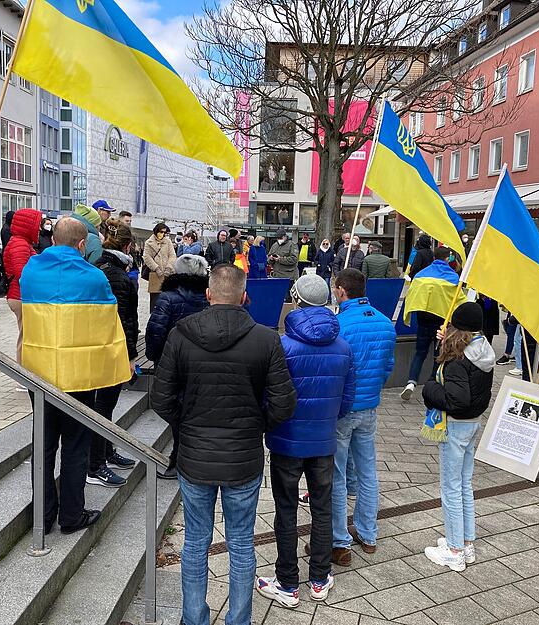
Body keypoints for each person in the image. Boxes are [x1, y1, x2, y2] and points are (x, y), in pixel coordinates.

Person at [150, 264, 296, 625]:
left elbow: (161, 397)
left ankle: (194, 618)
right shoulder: (265, 338)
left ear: (209, 295)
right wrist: (256, 425)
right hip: (243, 458)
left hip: (195, 457)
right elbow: (283, 403)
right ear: (245, 297)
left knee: (196, 542)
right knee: (242, 544)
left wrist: (187, 424)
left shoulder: (181, 335)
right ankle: (239, 619)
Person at [21, 217, 132, 534]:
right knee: (75, 445)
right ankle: (71, 514)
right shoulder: (95, 277)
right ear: (82, 244)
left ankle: (42, 516)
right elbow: (107, 327)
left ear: (53, 238)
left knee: (43, 444)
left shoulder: (31, 269)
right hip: (79, 376)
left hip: (39, 371)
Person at [257, 274, 355, 608]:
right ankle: (319, 577)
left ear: (296, 300)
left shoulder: (282, 345)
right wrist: (327, 421)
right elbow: (348, 397)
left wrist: (272, 424)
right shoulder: (342, 347)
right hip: (324, 441)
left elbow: (269, 395)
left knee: (286, 509)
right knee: (323, 507)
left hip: (286, 440)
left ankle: (286, 582)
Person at [327, 268, 396, 566]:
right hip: (369, 406)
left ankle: (339, 538)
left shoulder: (339, 325)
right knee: (367, 471)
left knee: (338, 474)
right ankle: (368, 533)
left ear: (342, 290)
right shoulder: (384, 322)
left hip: (343, 409)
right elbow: (388, 367)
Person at [422, 302, 495, 572]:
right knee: (464, 484)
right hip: (473, 424)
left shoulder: (458, 359)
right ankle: (465, 542)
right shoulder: (482, 350)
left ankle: (454, 550)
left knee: (451, 488)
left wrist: (430, 390)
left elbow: (456, 398)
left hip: (455, 425)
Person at [145, 254, 210, 479]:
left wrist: (154, 356)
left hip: (172, 362)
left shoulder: (168, 297)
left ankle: (178, 459)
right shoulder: (208, 296)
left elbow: (155, 330)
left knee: (174, 410)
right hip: (202, 363)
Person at [86, 220, 138, 487]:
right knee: (103, 407)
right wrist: (130, 357)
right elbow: (125, 321)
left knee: (104, 406)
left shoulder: (96, 267)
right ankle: (95, 465)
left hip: (97, 347)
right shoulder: (118, 276)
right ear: (128, 246)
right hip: (111, 350)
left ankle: (105, 452)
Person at [402, 247, 462, 401]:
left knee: (420, 352)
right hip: (441, 321)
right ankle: (431, 385)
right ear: (448, 258)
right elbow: (460, 300)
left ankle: (411, 382)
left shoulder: (422, 274)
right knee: (438, 354)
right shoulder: (452, 276)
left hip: (423, 317)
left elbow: (411, 293)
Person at [3, 208, 43, 363]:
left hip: (20, 295)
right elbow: (23, 274)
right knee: (26, 337)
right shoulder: (20, 244)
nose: (39, 229)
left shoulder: (20, 242)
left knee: (25, 335)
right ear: (28, 226)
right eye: (37, 225)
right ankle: (24, 375)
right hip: (20, 296)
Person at [143, 222, 177, 309]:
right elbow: (147, 257)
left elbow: (172, 255)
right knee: (155, 298)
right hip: (155, 274)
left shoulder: (168, 242)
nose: (163, 234)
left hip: (168, 273)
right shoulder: (149, 242)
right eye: (161, 232)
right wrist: (156, 268)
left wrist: (169, 267)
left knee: (169, 296)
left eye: (165, 232)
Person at [314, 238, 336, 303]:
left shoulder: (332, 251)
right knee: (320, 285)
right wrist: (318, 264)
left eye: (327, 244)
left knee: (327, 284)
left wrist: (329, 265)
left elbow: (334, 260)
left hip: (327, 271)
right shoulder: (319, 251)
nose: (325, 245)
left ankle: (329, 299)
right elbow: (315, 259)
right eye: (324, 244)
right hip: (319, 271)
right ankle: (319, 299)